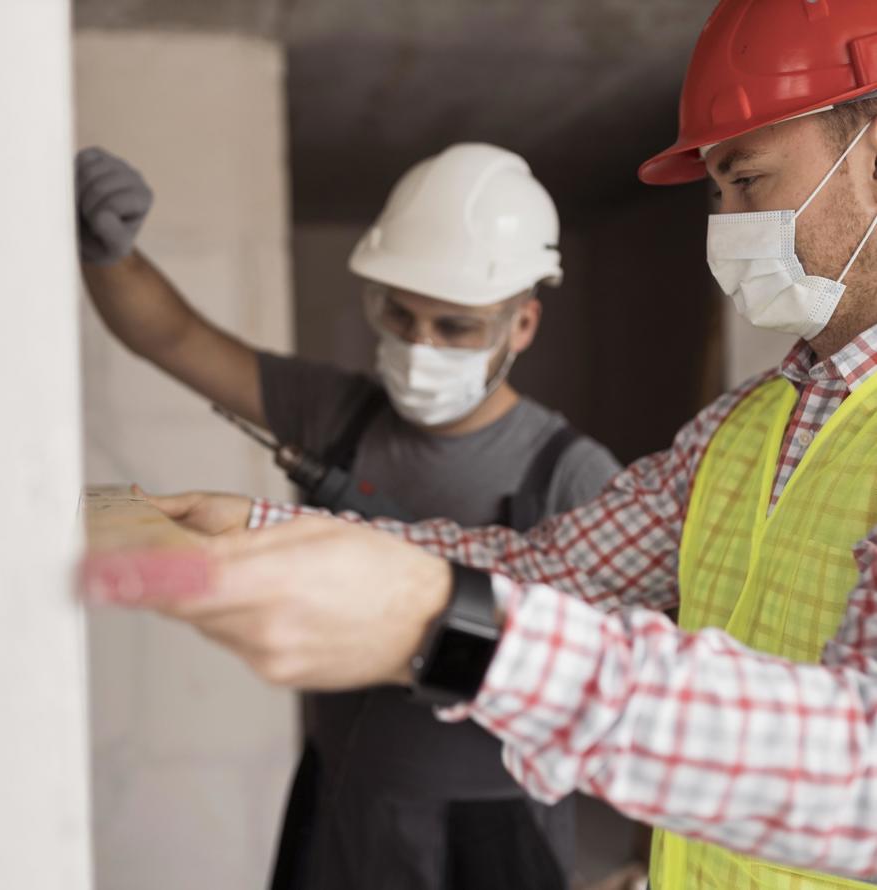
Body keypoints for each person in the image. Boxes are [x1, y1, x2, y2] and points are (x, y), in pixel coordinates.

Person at [82, 0, 877, 886]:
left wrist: (442, 629)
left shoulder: (566, 459)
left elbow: (863, 773)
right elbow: (550, 570)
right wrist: (261, 529)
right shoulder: (747, 425)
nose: (726, 226)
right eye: (716, 191)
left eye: (751, 180)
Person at [75, 142, 622, 889]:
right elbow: (170, 335)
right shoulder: (340, 414)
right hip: (341, 797)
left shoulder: (573, 476)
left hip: (497, 819)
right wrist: (112, 253)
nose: (419, 346)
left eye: (455, 326)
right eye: (399, 314)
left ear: (521, 325)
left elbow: (636, 677)